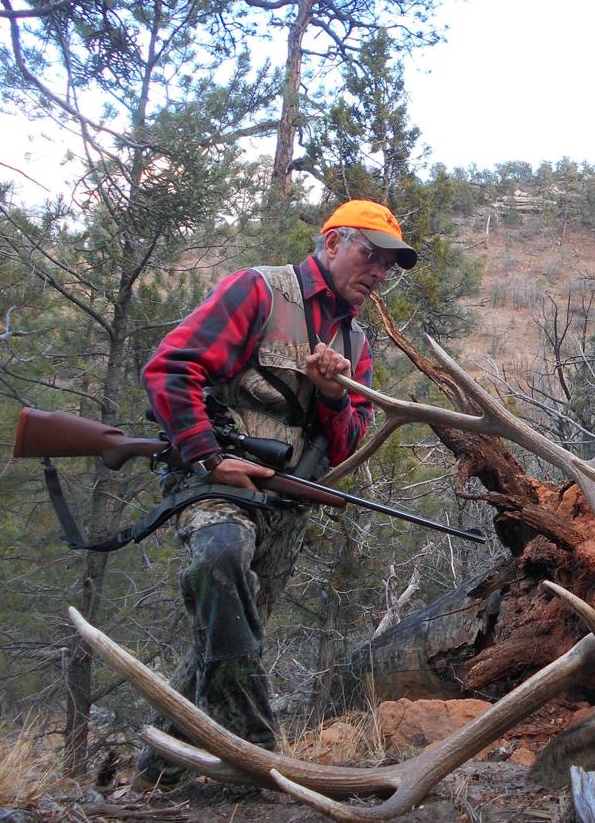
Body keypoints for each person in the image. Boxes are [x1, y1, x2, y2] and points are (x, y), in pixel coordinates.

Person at [132, 200, 417, 791]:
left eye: (390, 264)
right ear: (333, 242)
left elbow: (349, 446)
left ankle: (154, 779)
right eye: (371, 254)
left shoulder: (354, 343)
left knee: (230, 636)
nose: (380, 272)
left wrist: (333, 392)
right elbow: (170, 369)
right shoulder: (259, 291)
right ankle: (261, 761)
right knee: (219, 557)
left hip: (286, 503)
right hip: (215, 483)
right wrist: (208, 456)